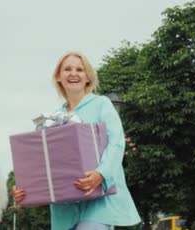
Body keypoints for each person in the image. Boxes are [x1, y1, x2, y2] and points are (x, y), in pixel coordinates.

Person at [12, 51, 141, 230]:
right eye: (67, 69)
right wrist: (25, 191)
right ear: (59, 76)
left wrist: (101, 174)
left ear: (88, 77)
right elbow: (43, 164)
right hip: (64, 211)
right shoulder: (52, 118)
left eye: (80, 69)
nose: (74, 73)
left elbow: (116, 142)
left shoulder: (102, 104)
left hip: (99, 204)